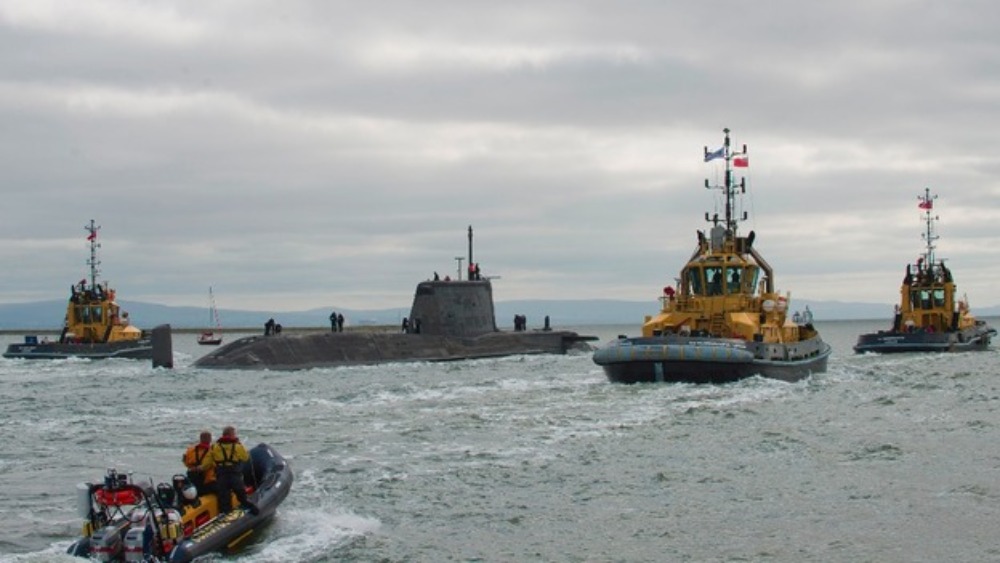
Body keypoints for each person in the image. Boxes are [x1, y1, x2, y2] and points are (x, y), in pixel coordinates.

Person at [201, 426, 259, 515]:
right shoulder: (237, 446)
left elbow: (206, 464)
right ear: (231, 435)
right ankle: (254, 511)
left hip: (222, 476)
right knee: (242, 496)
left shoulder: (214, 447)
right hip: (235, 475)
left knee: (224, 499)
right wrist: (239, 443)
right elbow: (245, 457)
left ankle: (226, 515)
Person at [182, 430, 216, 496]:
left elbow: (185, 462)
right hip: (207, 482)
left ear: (200, 439)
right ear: (210, 439)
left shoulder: (190, 450)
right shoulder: (213, 451)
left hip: (193, 480)